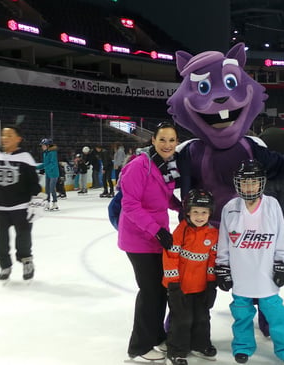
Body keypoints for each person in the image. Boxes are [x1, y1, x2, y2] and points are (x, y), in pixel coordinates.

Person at [215, 160, 284, 365]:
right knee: (241, 313)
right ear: (238, 184)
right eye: (245, 182)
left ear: (261, 183)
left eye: (254, 182)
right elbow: (224, 241)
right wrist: (223, 267)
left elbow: (280, 235)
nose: (249, 186)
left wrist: (283, 262)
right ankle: (243, 346)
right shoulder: (230, 207)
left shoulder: (272, 205)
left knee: (275, 311)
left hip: (265, 273)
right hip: (240, 272)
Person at [118, 123, 181, 363]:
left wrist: (180, 207)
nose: (167, 145)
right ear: (153, 140)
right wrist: (156, 230)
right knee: (150, 291)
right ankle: (139, 346)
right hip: (138, 238)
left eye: (172, 140)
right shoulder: (139, 165)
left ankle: (156, 335)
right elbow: (130, 204)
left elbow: (165, 196)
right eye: (163, 139)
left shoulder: (167, 165)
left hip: (156, 236)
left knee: (161, 289)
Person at [0, 125, 42, 280]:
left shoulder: (25, 157)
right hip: (1, 206)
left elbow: (34, 182)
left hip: (22, 206)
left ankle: (26, 261)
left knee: (23, 237)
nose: (4, 138)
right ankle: (5, 265)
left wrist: (37, 198)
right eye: (3, 135)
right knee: (1, 239)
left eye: (9, 135)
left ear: (18, 139)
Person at [162, 189, 218, 365]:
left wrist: (211, 284)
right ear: (187, 213)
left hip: (201, 286)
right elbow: (171, 257)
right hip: (181, 287)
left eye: (204, 212)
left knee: (202, 316)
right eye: (195, 212)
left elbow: (212, 260)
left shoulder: (213, 234)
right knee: (182, 319)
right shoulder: (181, 231)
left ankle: (200, 344)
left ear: (210, 213)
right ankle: (177, 350)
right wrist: (173, 285)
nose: (200, 216)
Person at [259, 120, 284, 228]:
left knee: (269, 209)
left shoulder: (261, 137)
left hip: (269, 179)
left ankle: (272, 236)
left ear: (263, 128)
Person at [37, 138, 59, 211]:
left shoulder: (53, 153)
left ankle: (55, 203)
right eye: (42, 145)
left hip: (54, 173)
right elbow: (45, 164)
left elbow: (53, 163)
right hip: (48, 173)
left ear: (48, 145)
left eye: (43, 145)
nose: (42, 147)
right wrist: (36, 167)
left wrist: (46, 168)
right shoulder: (45, 153)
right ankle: (47, 202)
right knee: (47, 189)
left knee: (52, 188)